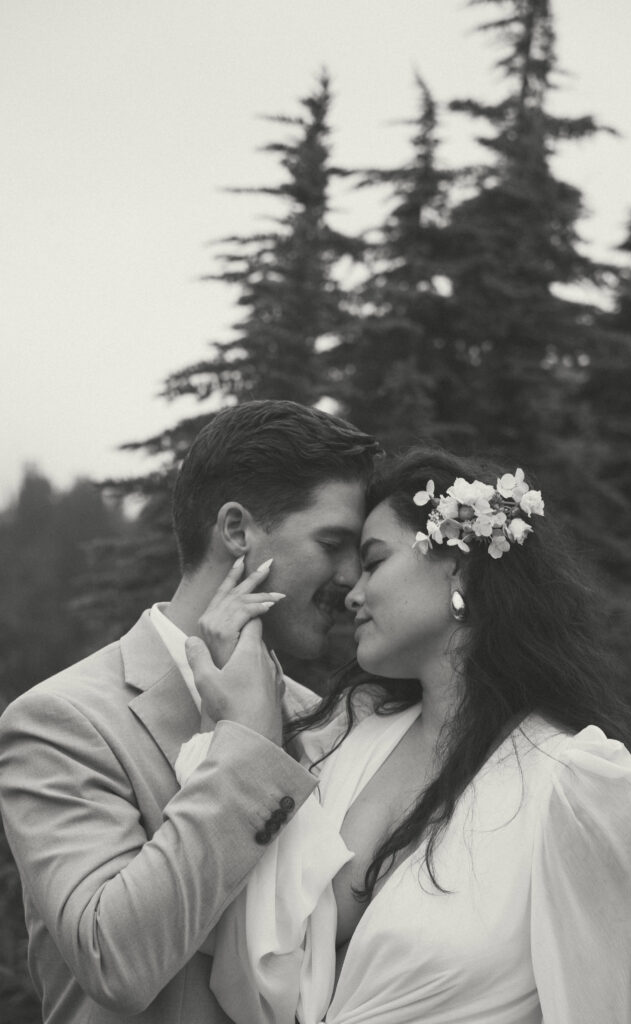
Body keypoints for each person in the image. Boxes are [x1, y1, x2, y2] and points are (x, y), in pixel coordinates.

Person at [186, 446, 631, 1024]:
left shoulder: (577, 783)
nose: (351, 592)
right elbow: (258, 964)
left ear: (459, 567)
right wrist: (242, 732)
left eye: (373, 561)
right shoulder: (347, 743)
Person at [0, 399, 380, 1024]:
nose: (351, 577)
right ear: (236, 531)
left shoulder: (328, 724)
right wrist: (245, 750)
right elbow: (114, 959)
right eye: (332, 542)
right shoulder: (61, 722)